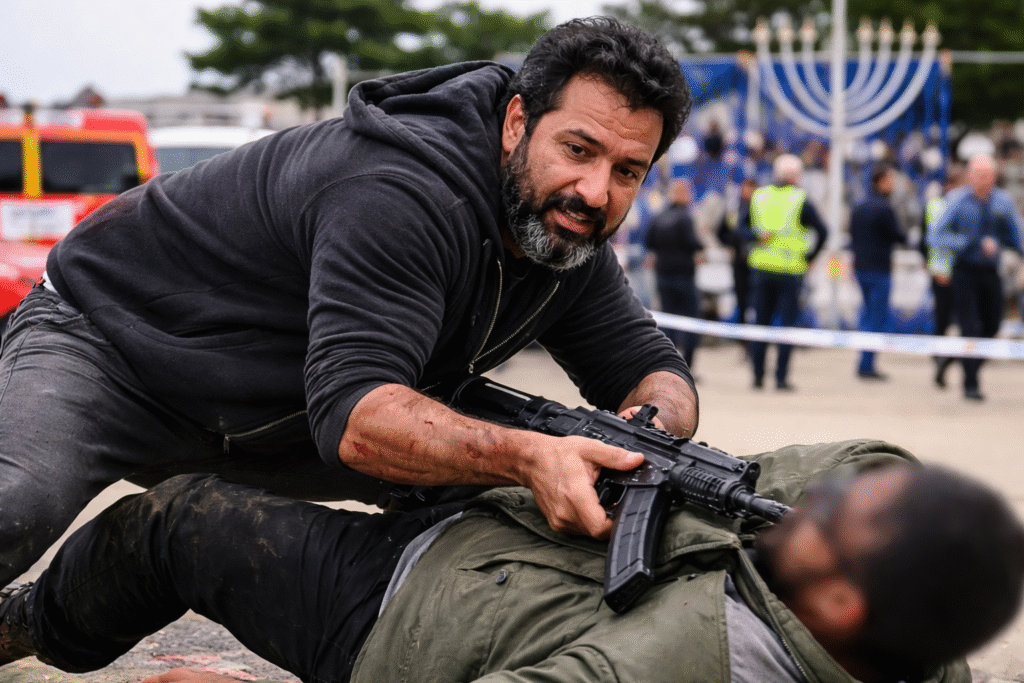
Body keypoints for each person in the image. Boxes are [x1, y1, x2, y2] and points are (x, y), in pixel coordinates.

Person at [0, 17, 700, 588]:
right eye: (578, 149)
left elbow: (652, 365)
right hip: (109, 347)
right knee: (15, 505)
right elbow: (360, 419)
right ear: (517, 122)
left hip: (276, 417)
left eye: (627, 171)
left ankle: (28, 626)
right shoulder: (401, 194)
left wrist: (648, 431)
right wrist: (529, 456)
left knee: (524, 509)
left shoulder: (566, 233)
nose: (595, 190)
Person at [1, 439, 1021, 683]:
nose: (823, 499)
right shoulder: (906, 621)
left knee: (173, 518)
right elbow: (857, 464)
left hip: (392, 617)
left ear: (840, 593)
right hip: (500, 538)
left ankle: (33, 622)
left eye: (839, 517)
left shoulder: (675, 663)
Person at [928, 154, 1024, 401]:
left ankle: (951, 359)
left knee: (992, 326)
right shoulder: (957, 201)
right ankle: (971, 384)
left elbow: (1016, 235)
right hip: (964, 271)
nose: (984, 179)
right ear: (971, 175)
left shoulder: (1003, 202)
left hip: (991, 272)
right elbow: (935, 236)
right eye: (980, 173)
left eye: (989, 174)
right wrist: (966, 243)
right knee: (969, 327)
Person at [741, 154, 828, 391]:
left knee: (760, 323)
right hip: (790, 271)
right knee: (787, 328)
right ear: (795, 176)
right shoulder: (800, 199)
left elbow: (740, 228)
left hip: (761, 269)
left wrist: (757, 237)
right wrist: (810, 258)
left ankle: (758, 376)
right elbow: (823, 231)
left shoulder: (759, 196)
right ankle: (780, 378)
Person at [848, 162, 908, 381]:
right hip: (879, 269)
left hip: (861, 267)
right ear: (881, 182)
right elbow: (898, 235)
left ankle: (864, 361)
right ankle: (867, 364)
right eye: (890, 180)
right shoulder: (884, 208)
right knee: (876, 317)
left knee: (868, 315)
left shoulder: (859, 206)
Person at [644, 178, 704, 368]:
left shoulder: (658, 216)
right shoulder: (685, 217)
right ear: (684, 194)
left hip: (663, 275)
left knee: (667, 322)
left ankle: (668, 365)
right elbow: (693, 243)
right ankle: (687, 366)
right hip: (684, 276)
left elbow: (649, 241)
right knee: (690, 323)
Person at [921, 170, 963, 388]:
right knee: (944, 320)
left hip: (958, 272)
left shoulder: (958, 205)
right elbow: (926, 240)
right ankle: (939, 360)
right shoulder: (937, 206)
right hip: (943, 271)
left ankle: (943, 361)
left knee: (957, 322)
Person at [717, 177, 757, 325]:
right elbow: (722, 232)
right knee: (741, 299)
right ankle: (743, 338)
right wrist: (730, 246)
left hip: (757, 261)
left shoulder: (761, 207)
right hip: (739, 261)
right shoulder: (734, 208)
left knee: (757, 299)